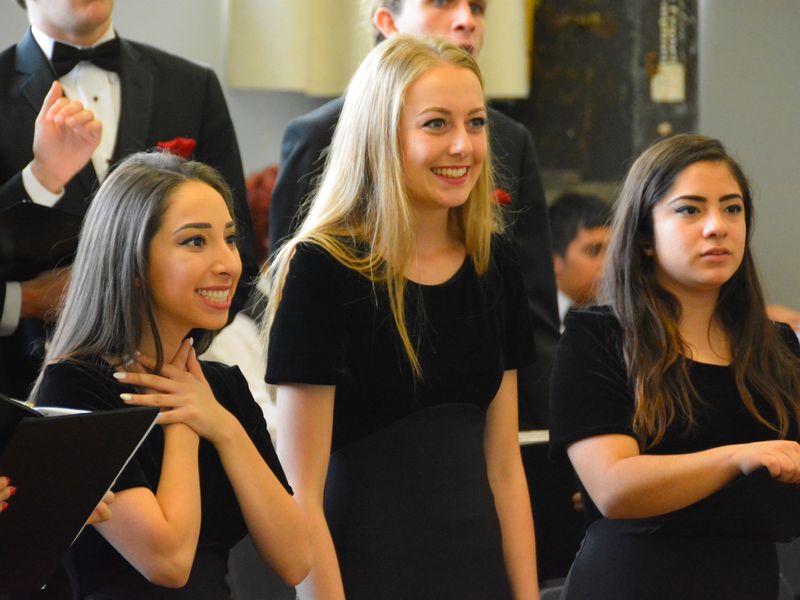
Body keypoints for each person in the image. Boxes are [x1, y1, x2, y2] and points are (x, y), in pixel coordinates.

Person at [263, 36, 539, 600]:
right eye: (436, 124)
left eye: (477, 123)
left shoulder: (495, 263)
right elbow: (301, 494)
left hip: (478, 573)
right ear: (381, 135)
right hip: (364, 574)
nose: (463, 146)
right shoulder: (322, 270)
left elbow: (506, 468)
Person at [29, 151, 310, 599]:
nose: (228, 263)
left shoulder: (221, 389)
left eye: (231, 238)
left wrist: (223, 426)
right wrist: (183, 419)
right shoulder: (76, 385)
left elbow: (295, 560)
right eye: (195, 242)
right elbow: (168, 561)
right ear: (133, 263)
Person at [270, 0, 559, 429]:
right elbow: (292, 310)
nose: (466, 19)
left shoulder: (509, 143)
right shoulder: (319, 139)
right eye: (441, 3)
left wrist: (546, 441)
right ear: (387, 21)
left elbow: (534, 317)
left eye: (478, 7)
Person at [549, 134, 800, 600]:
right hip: (634, 582)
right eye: (690, 209)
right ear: (645, 235)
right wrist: (739, 458)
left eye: (732, 208)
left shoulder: (777, 347)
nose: (717, 227)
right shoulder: (598, 338)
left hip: (750, 583)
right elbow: (615, 488)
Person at [0, 0, 257, 398]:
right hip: (17, 387)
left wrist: (174, 357)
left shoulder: (191, 87)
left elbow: (236, 250)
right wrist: (40, 179)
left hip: (172, 386)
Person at [548, 192, 610, 329]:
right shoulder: (530, 319)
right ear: (554, 262)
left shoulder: (618, 319)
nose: (609, 263)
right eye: (594, 251)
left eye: (613, 252)